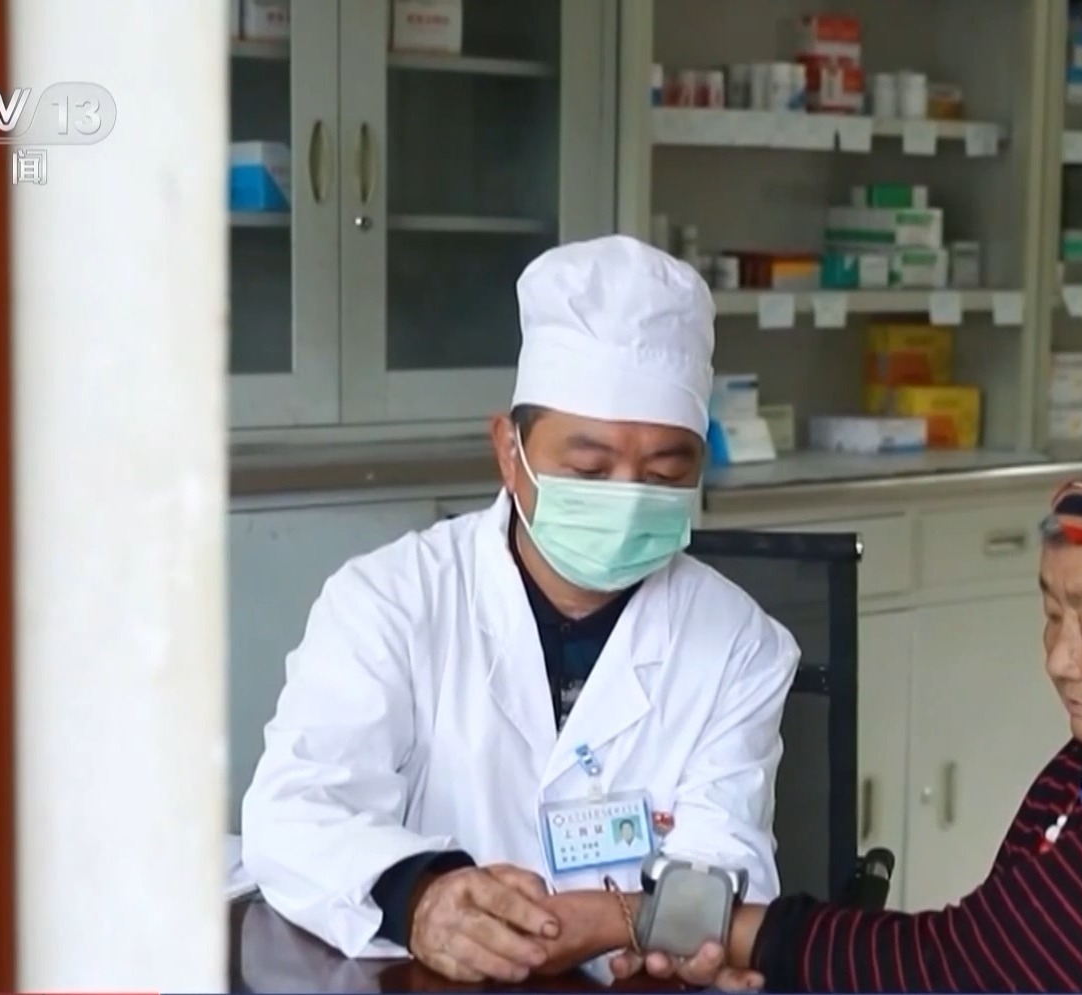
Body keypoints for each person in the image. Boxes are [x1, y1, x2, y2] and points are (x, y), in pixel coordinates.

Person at [540, 426, 1082, 993]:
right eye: (1051, 612)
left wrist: (652, 919)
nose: (1059, 657)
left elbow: (951, 971)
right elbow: (987, 948)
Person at [240, 235, 800, 985]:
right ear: (509, 449)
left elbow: (725, 855)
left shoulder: (740, 643)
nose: (629, 498)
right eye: (589, 469)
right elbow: (297, 809)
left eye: (666, 473)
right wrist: (422, 900)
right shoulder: (392, 599)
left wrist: (670, 933)